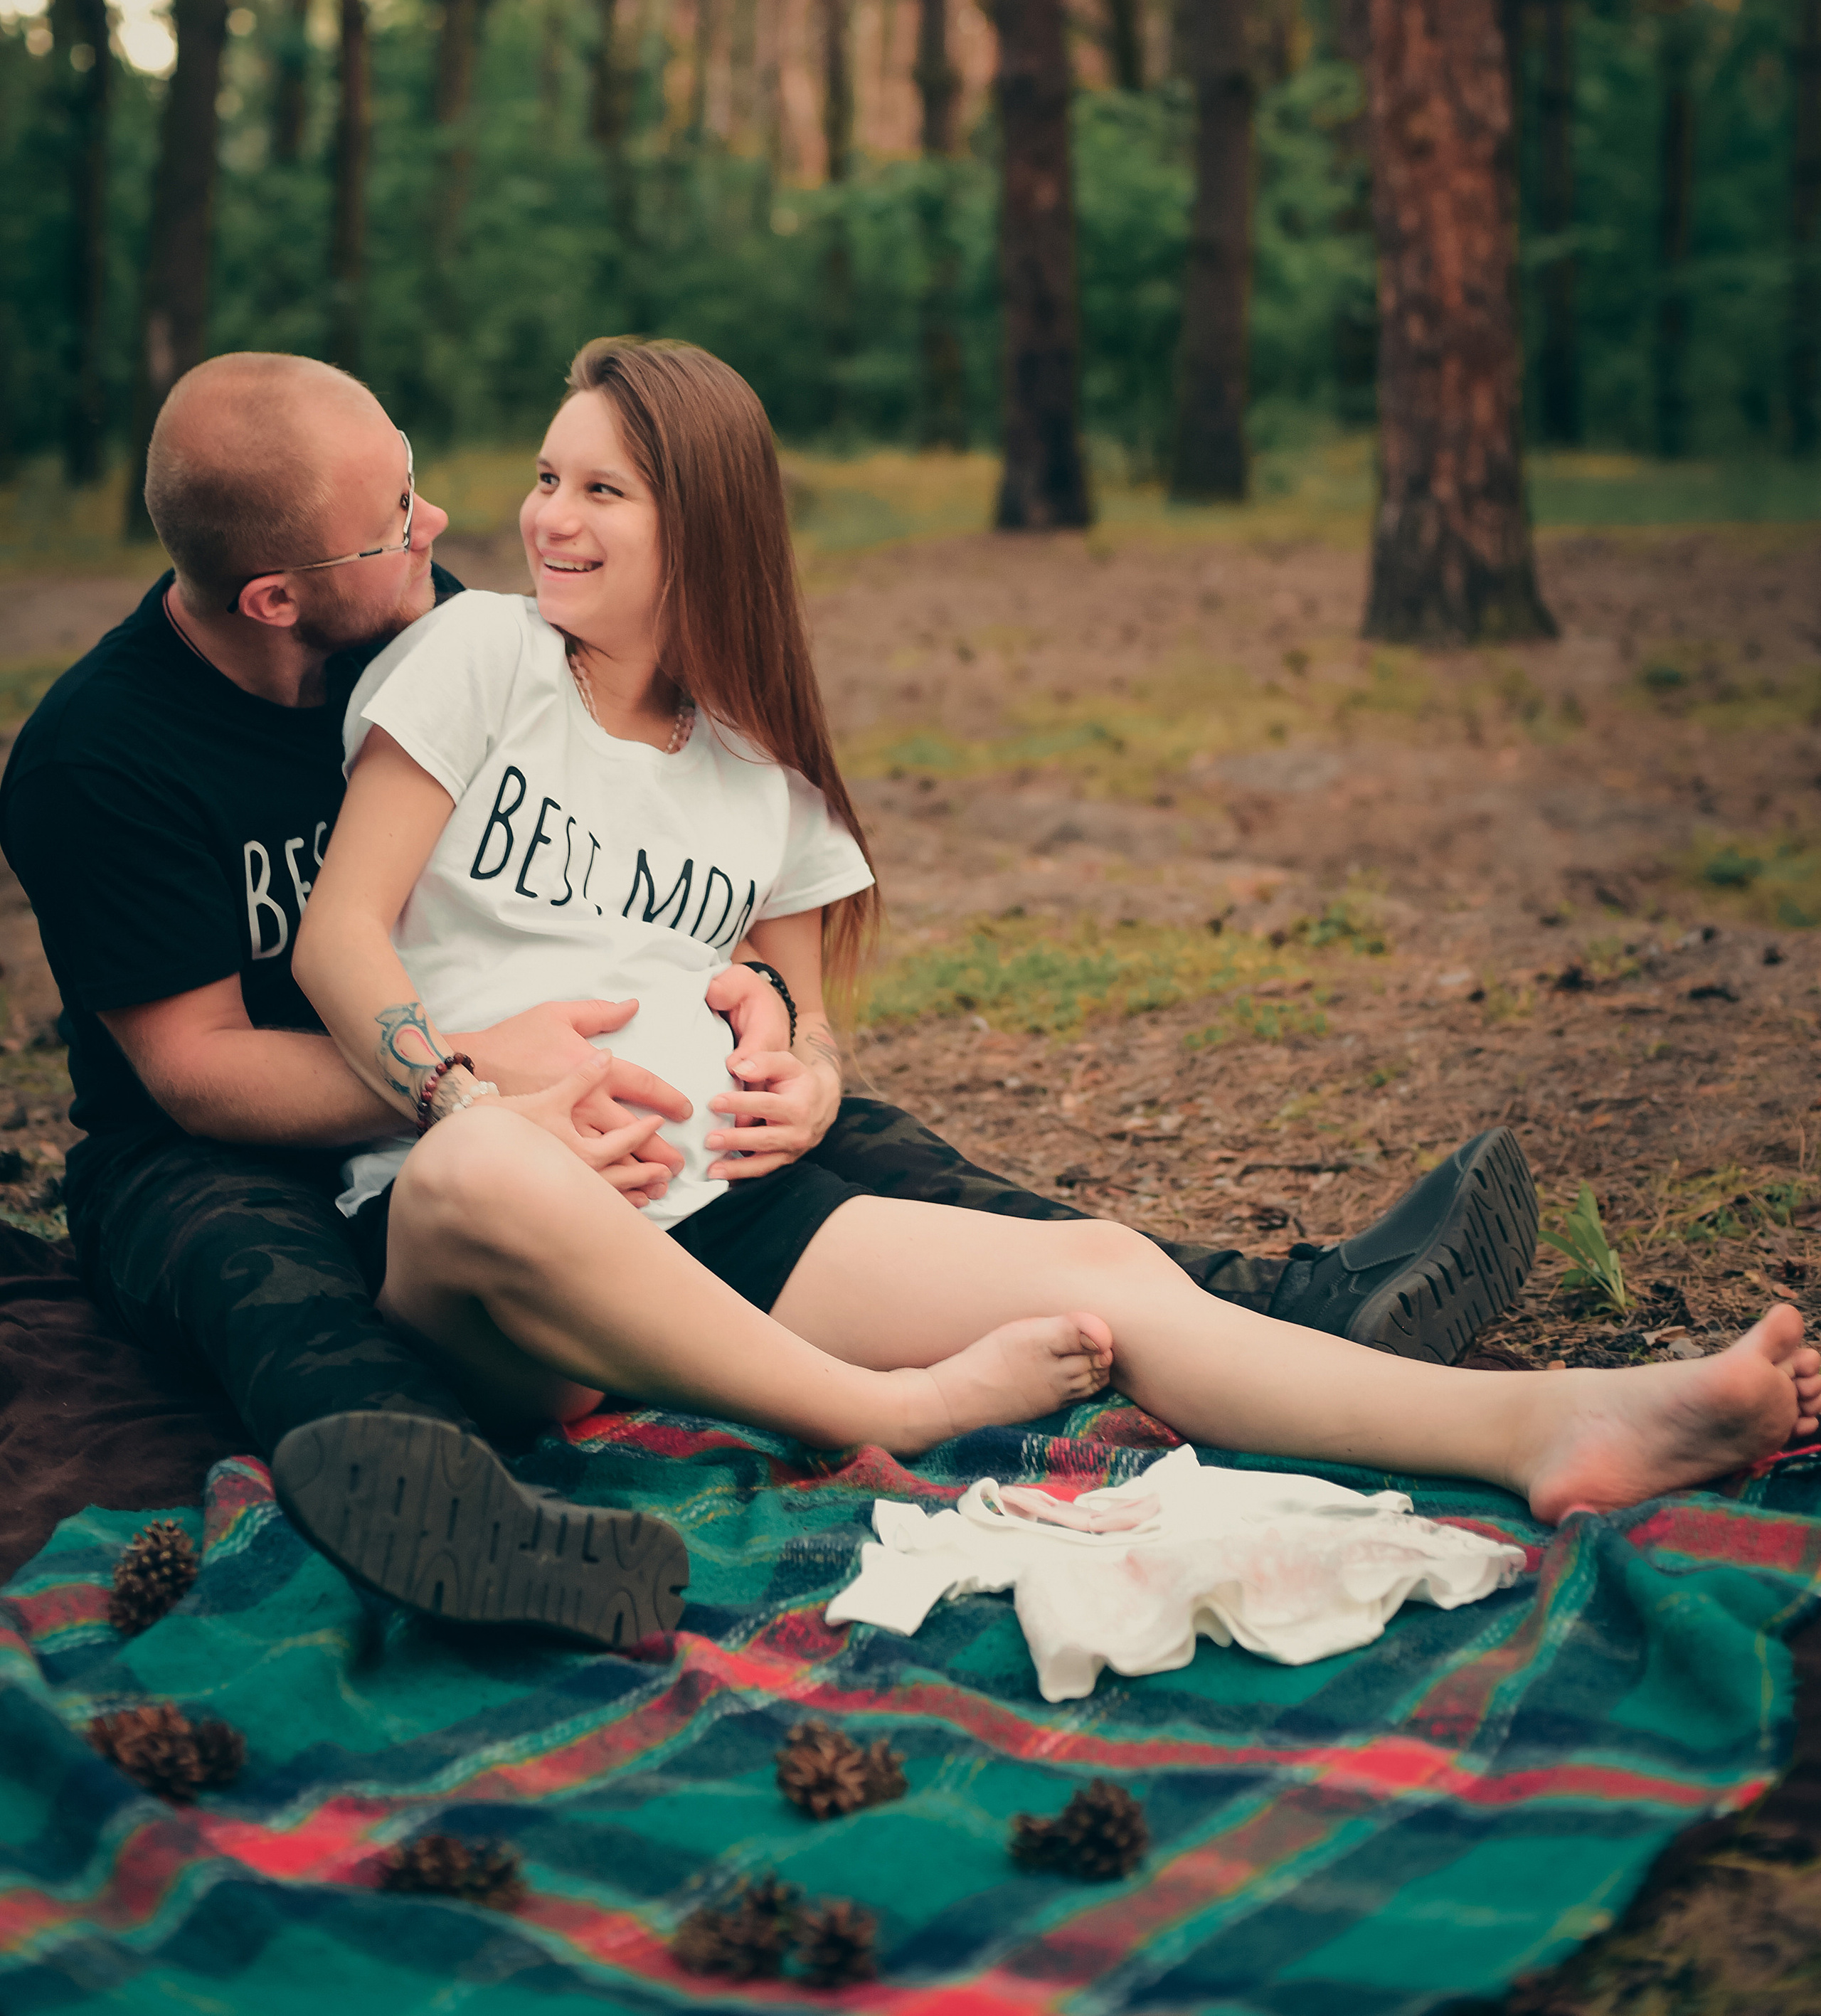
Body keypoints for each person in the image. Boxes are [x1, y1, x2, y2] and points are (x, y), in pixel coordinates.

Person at [0, 349, 1537, 1648]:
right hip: (228, 1147)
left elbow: (658, 900)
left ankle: (1281, 1305)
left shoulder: (437, 624)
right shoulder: (104, 760)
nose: (452, 525)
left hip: (567, 1119)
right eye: (399, 516)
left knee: (851, 1137)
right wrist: (482, 1081)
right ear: (277, 596)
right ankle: (448, 1507)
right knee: (273, 1288)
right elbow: (199, 1077)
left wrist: (787, 1047)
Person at [287, 339, 1819, 1547]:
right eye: (547, 479)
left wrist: (805, 1081)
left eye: (601, 491)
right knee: (485, 1174)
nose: (547, 518)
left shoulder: (759, 776)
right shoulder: (482, 658)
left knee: (1098, 1271)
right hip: (476, 1248)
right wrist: (470, 1097)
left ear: (706, 523)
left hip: (711, 1231)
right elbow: (340, 940)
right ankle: (879, 1408)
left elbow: (805, 1029)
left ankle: (1552, 1424)